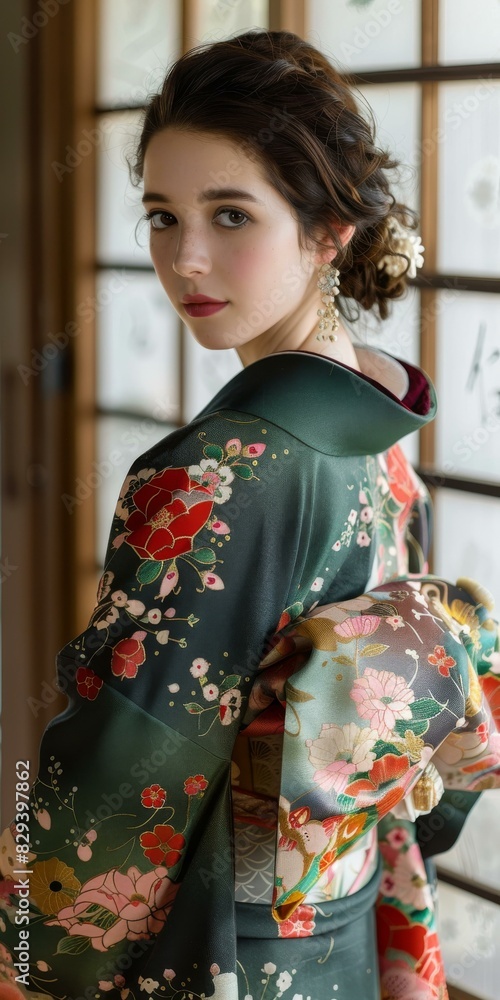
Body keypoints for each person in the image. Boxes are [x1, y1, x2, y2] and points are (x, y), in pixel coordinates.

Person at [1, 29, 499, 1000]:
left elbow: (125, 768)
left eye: (230, 215)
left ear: (331, 232)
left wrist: (24, 942)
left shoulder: (220, 475)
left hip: (217, 950)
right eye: (160, 215)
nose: (185, 258)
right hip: (336, 928)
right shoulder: (370, 420)